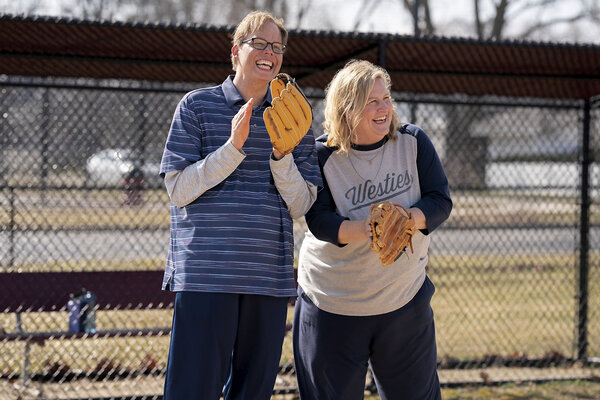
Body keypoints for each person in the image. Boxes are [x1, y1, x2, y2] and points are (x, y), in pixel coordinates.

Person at [159, 10, 322, 400]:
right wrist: (232, 149)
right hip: (206, 277)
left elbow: (302, 204)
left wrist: (282, 156)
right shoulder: (196, 106)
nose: (270, 52)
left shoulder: (294, 119)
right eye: (260, 43)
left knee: (252, 393)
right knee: (192, 391)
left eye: (278, 46)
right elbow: (178, 189)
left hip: (267, 280)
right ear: (236, 51)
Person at [293, 59, 453, 400]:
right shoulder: (322, 155)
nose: (384, 108)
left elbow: (440, 201)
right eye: (371, 101)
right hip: (333, 304)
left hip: (403, 301)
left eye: (386, 98)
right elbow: (319, 221)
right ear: (347, 108)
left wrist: (408, 219)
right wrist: (371, 229)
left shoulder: (412, 142)